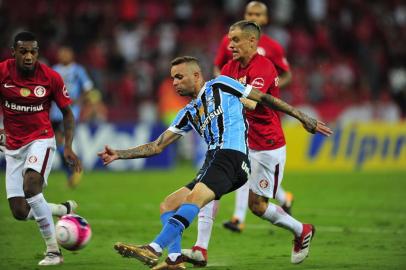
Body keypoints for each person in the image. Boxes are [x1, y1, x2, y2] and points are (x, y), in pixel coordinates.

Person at [98, 56, 332, 269]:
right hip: (214, 160)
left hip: (232, 155)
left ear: (196, 75)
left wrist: (304, 117)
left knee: (195, 199)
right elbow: (156, 146)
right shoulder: (189, 112)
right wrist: (119, 153)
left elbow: (264, 98)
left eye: (179, 77)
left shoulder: (220, 84)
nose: (175, 83)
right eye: (172, 79)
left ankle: (153, 249)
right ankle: (174, 260)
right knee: (168, 205)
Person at [182, 19, 305, 266]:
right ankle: (200, 249)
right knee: (209, 187)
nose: (231, 45)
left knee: (258, 207)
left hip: (267, 144)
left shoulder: (265, 67)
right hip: (239, 142)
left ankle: (301, 230)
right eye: (229, 40)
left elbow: (251, 102)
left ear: (252, 41)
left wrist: (224, 97)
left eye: (236, 40)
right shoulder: (229, 68)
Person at [0, 31, 82, 266]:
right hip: (13, 146)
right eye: (23, 51)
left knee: (31, 186)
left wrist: (68, 146)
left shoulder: (50, 77)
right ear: (13, 51)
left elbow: (68, 113)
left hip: (41, 139)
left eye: (33, 52)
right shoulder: (2, 72)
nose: (28, 56)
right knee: (19, 211)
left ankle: (54, 252)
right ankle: (61, 208)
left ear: (38, 53)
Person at [216, 1, 295, 235]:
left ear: (265, 19)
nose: (254, 16)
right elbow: (218, 68)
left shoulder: (271, 50)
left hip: (263, 128)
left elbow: (284, 75)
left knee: (251, 181)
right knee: (243, 173)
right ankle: (239, 218)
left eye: (258, 14)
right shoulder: (230, 45)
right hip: (242, 128)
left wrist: (270, 89)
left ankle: (281, 201)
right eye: (250, 13)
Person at [50, 46, 93, 188]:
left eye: (66, 53)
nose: (63, 56)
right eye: (61, 53)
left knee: (62, 143)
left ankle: (75, 167)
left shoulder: (78, 70)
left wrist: (79, 101)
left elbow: (88, 88)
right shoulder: (54, 69)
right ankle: (71, 173)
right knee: (58, 145)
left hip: (69, 112)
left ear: (71, 55)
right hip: (54, 112)